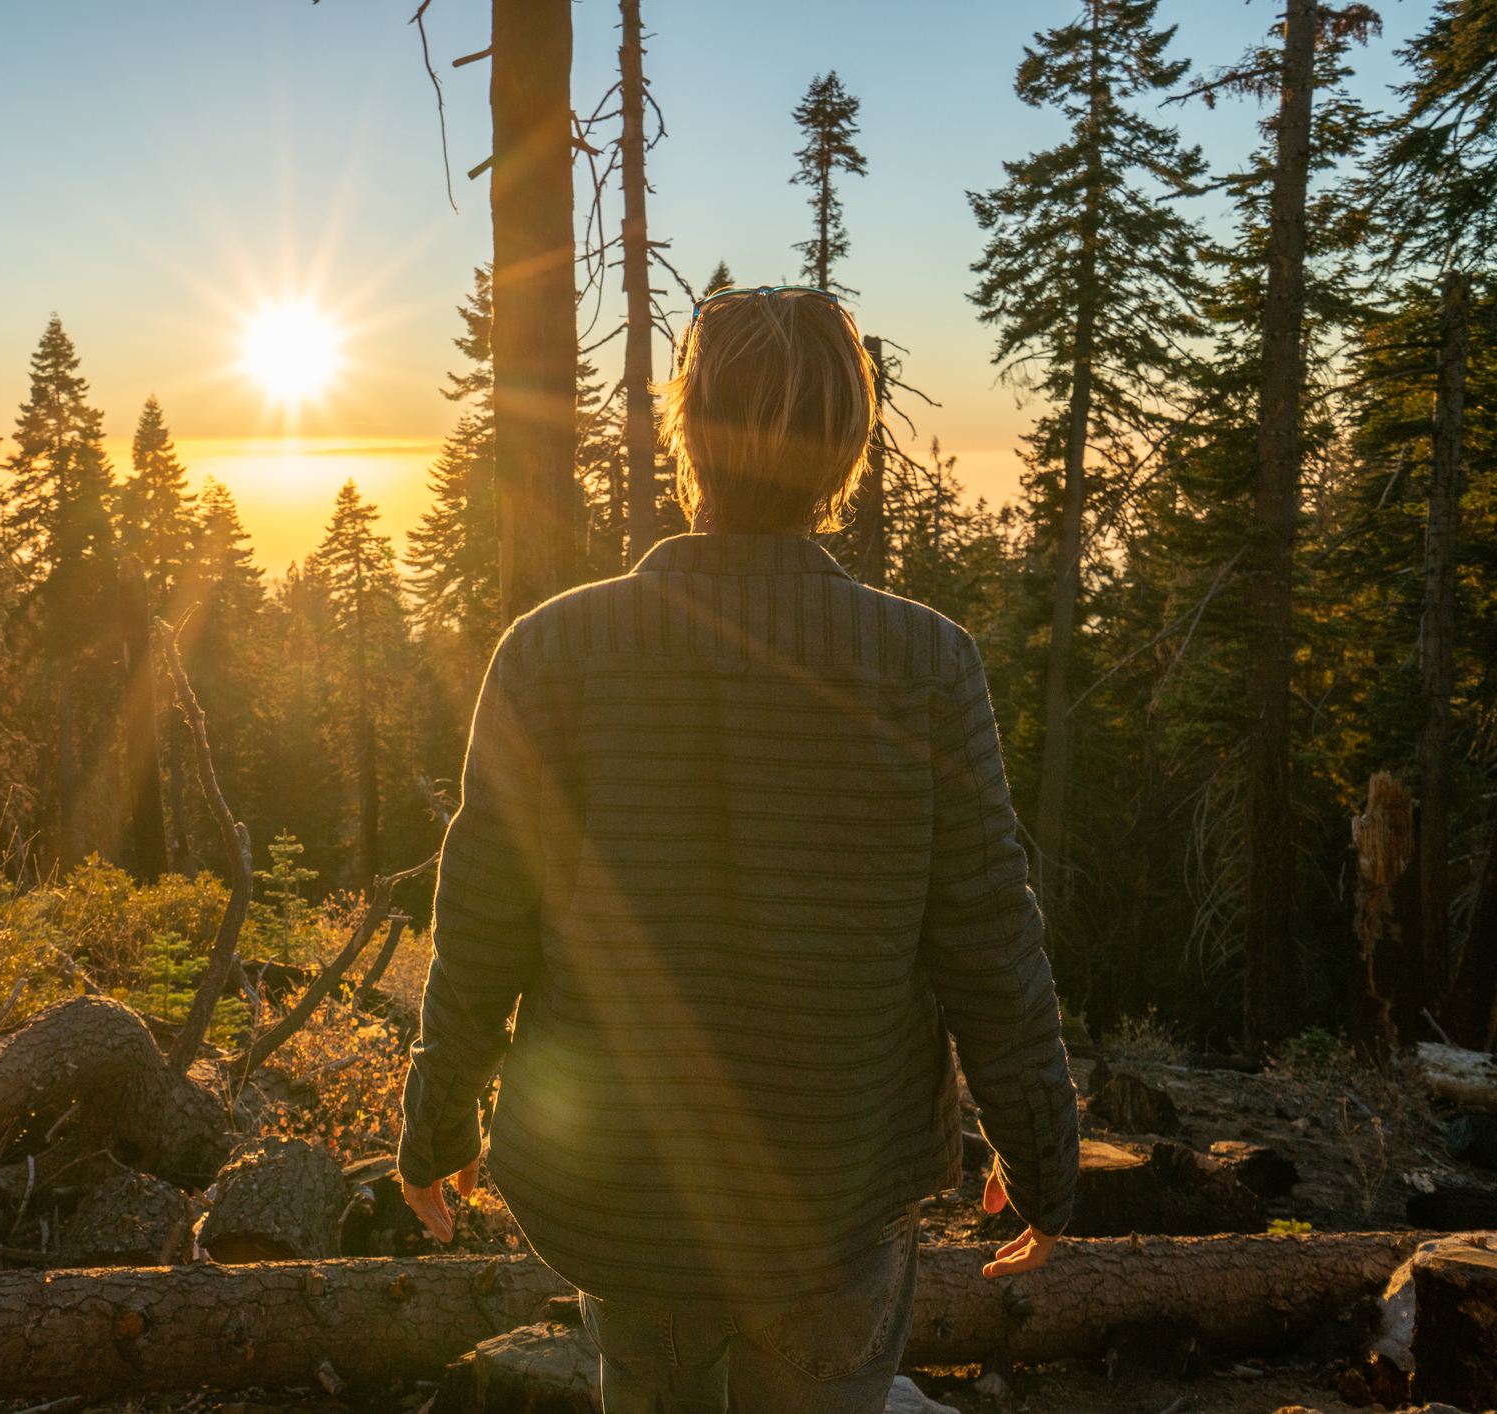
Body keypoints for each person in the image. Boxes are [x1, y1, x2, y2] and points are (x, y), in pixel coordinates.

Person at [395, 286, 1079, 1414]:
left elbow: (480, 927)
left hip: (628, 1198)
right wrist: (1044, 1162)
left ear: (687, 436)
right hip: (837, 1200)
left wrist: (435, 1126)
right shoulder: (922, 665)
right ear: (846, 449)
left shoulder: (554, 651)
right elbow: (987, 943)